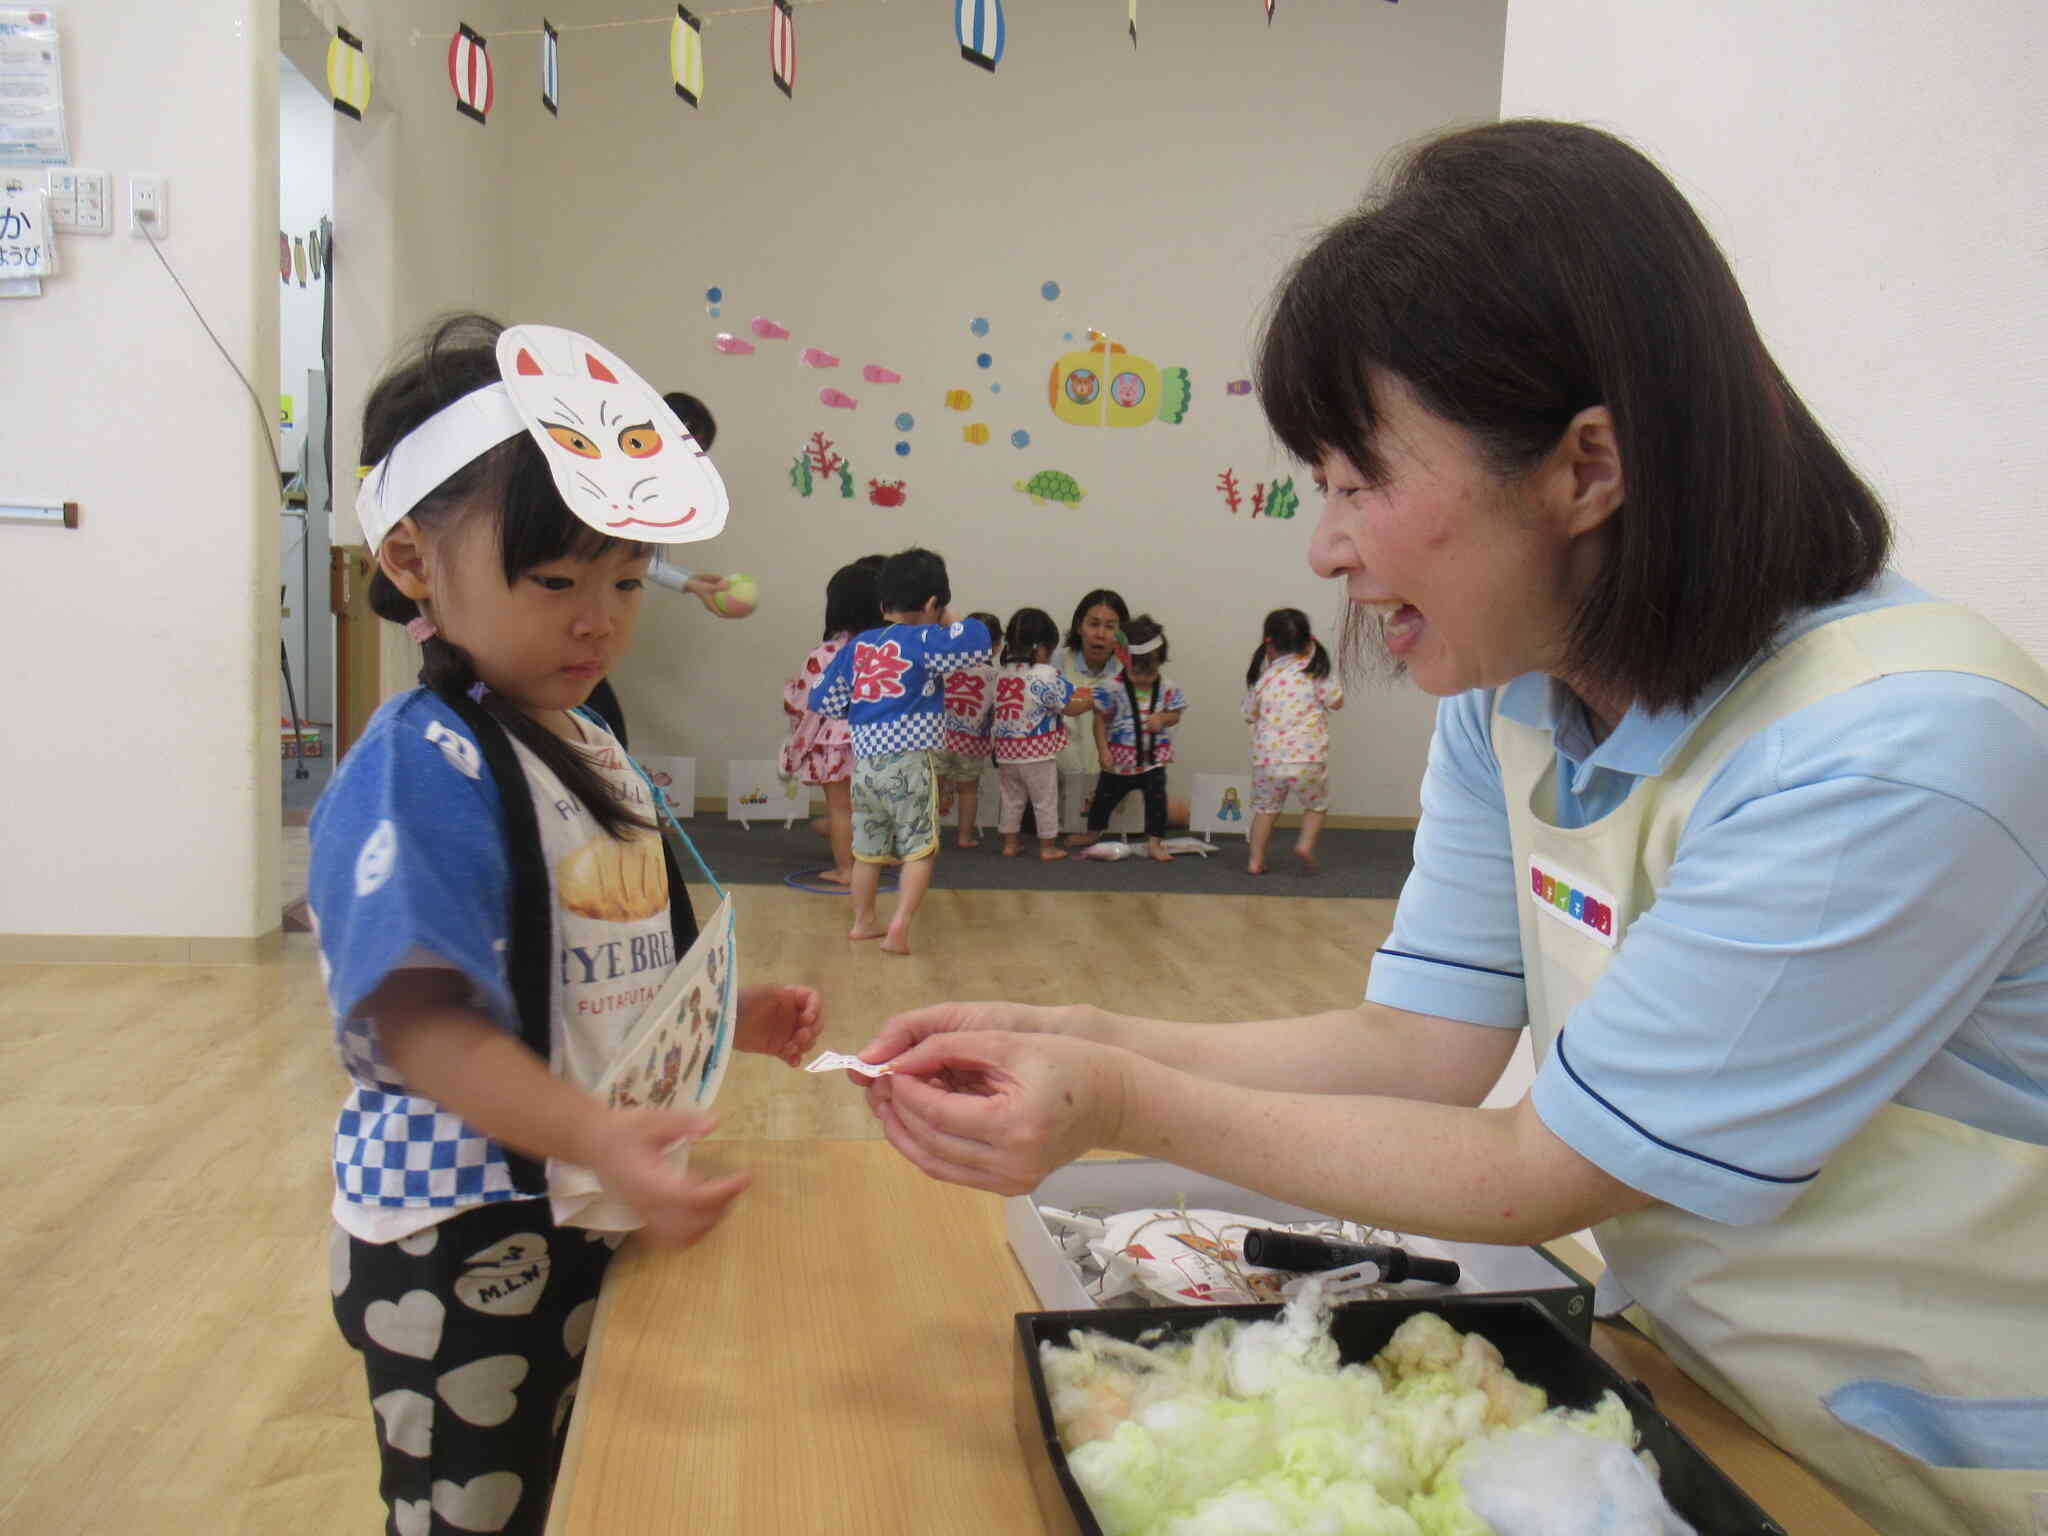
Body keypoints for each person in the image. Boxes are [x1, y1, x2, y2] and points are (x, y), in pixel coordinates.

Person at [851, 121, 2048, 1536]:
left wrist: (1116, 1107)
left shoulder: (1897, 750)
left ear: (1587, 467)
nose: (1327, 544)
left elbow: (1546, 1165)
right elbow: (1417, 1049)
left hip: (1936, 1473)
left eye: (1361, 481)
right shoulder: (1518, 697)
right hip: (1706, 1393)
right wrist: (1089, 1034)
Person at [310, 315, 823, 1535]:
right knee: (471, 1512)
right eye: (555, 582)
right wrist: (601, 1130)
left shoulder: (581, 737)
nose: (599, 621)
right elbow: (423, 1027)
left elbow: (587, 949)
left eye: (626, 583)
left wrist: (715, 1017)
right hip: (461, 1227)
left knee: (568, 1484)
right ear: (413, 561)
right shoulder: (416, 763)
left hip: (576, 1190)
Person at [808, 547, 992, 955]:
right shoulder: (926, 638)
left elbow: (823, 700)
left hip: (866, 766)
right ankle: (899, 927)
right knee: (918, 848)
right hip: (912, 762)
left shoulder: (857, 647)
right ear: (931, 603)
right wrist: (947, 618)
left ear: (883, 601)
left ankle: (863, 922)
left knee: (868, 850)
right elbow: (978, 643)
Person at [582, 392, 734, 745]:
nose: (691, 461)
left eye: (699, 453)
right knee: (604, 734)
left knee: (604, 735)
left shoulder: (651, 490)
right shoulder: (608, 474)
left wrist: (690, 583)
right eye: (689, 446)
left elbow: (637, 559)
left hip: (589, 626)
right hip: (561, 625)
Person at [779, 560, 880, 885]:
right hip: (879, 740)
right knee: (870, 805)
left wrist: (794, 751)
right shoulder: (886, 653)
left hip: (836, 743)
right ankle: (876, 857)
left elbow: (806, 704)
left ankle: (846, 869)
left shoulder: (825, 654)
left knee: (840, 809)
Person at [1242, 607, 1345, 874]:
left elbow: (1248, 714)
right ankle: (1305, 845)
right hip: (1307, 759)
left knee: (1265, 810)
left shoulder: (1264, 679)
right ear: (1308, 642)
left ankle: (1255, 861)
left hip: (1268, 762)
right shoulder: (1315, 672)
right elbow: (1337, 701)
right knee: (1316, 805)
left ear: (1269, 645)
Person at [991, 607, 1096, 860]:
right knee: (1044, 800)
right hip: (1036, 754)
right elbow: (1070, 707)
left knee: (1011, 799)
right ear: (1041, 649)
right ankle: (1048, 847)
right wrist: (1093, 701)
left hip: (1006, 752)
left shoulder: (1002, 674)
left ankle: (1010, 844)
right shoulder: (1046, 674)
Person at [1084, 614, 1186, 862]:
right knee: (1103, 799)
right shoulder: (1111, 687)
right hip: (1119, 760)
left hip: (1153, 760)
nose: (1145, 678)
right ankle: (1092, 832)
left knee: (1157, 801)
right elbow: (1099, 720)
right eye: (1139, 671)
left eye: (1151, 671)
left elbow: (1175, 715)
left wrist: (1162, 719)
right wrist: (1103, 751)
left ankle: (1154, 841)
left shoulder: (1167, 687)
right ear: (1125, 660)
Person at [1052, 589, 1127, 842]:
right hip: (1063, 775)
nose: (1100, 634)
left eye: (1110, 626)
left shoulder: (1129, 669)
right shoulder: (1059, 661)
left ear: (1120, 633)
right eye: (1093, 624)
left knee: (1177, 812)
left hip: (1110, 773)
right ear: (1079, 626)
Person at [933, 610, 1002, 849]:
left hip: (939, 736)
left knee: (933, 786)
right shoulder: (995, 676)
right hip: (972, 741)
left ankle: (928, 835)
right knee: (968, 791)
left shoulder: (947, 665)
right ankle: (964, 837)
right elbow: (996, 713)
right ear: (996, 646)